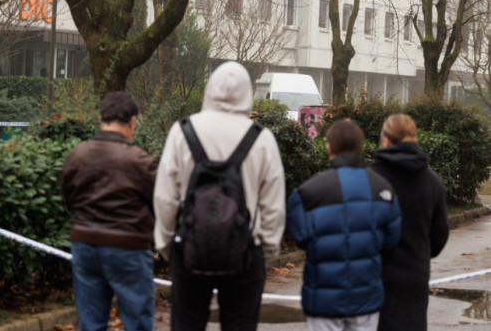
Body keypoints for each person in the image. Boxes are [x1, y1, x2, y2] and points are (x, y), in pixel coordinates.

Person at [154, 61, 286, 331]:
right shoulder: (261, 139)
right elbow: (273, 207)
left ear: (209, 89)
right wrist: (266, 252)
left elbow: (165, 198)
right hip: (246, 253)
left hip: (190, 249)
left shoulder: (182, 132)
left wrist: (168, 246)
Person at [287, 120, 401, 331]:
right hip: (366, 297)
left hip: (323, 301)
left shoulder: (307, 193)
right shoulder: (384, 190)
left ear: (328, 147)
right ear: (362, 147)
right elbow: (390, 242)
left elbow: (300, 237)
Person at [60, 92, 157, 331]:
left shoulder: (77, 154)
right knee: (138, 322)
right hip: (129, 246)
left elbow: (68, 198)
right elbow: (160, 203)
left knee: (91, 321)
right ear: (133, 121)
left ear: (101, 117)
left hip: (84, 244)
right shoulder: (140, 161)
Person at [368, 114, 449, 331]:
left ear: (385, 140)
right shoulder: (432, 182)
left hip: (375, 274)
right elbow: (440, 235)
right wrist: (420, 251)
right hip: (415, 273)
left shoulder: (369, 179)